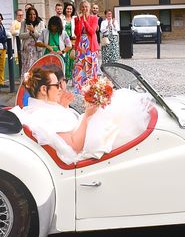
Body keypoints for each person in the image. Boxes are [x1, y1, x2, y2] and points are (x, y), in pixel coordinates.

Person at [12, 66, 152, 164]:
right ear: (44, 89)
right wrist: (87, 115)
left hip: (84, 133)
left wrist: (65, 108)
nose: (61, 88)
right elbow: (75, 146)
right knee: (121, 113)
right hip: (85, 147)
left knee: (117, 107)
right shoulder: (45, 115)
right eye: (57, 85)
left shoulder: (38, 109)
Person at [72, 0, 100, 93]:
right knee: (80, 67)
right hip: (80, 46)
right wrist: (80, 20)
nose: (84, 8)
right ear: (80, 8)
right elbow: (77, 32)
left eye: (86, 7)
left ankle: (92, 88)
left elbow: (92, 32)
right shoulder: (76, 19)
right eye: (82, 7)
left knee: (91, 67)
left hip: (90, 45)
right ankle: (81, 89)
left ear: (89, 8)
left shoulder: (94, 18)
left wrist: (85, 21)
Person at [19, 6, 45, 75]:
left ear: (36, 15)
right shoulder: (23, 22)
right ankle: (26, 83)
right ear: (27, 15)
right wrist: (29, 33)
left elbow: (41, 36)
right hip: (26, 50)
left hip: (37, 49)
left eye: (34, 14)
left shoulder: (41, 23)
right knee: (26, 67)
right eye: (30, 14)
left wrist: (33, 31)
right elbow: (20, 35)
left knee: (36, 67)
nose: (32, 16)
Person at [63, 2, 76, 80]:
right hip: (64, 41)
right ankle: (66, 76)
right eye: (68, 8)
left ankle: (72, 76)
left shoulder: (74, 19)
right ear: (65, 9)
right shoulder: (62, 18)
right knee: (65, 58)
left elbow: (77, 29)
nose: (69, 10)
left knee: (72, 58)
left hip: (73, 40)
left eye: (70, 9)